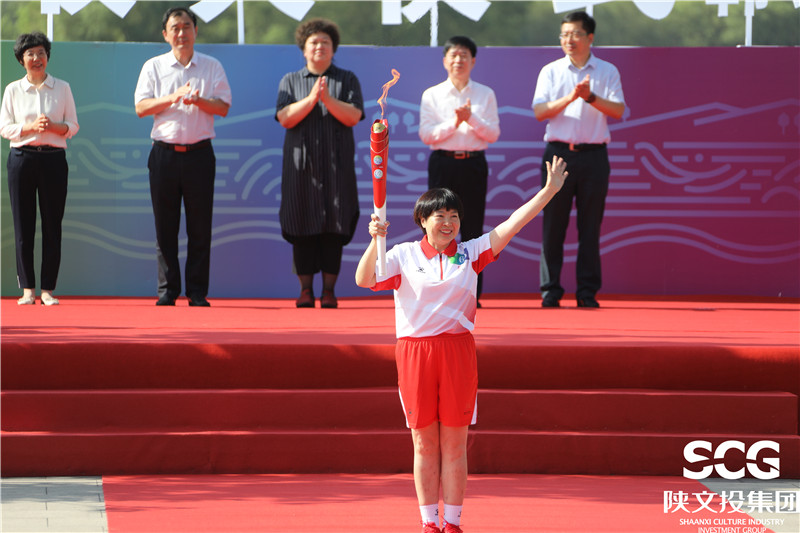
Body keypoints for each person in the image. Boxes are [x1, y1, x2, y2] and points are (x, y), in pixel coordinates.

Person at [355, 157, 568, 533]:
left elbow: (512, 224)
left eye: (454, 215)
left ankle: (452, 523)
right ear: (423, 220)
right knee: (424, 443)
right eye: (440, 215)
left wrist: (548, 192)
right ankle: (429, 523)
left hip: (457, 352)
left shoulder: (470, 254)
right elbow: (362, 279)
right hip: (415, 353)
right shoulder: (402, 255)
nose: (448, 222)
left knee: (454, 443)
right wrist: (375, 239)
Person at [134, 6, 232, 307]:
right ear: (165, 34)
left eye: (186, 26)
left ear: (196, 31)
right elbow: (141, 108)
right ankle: (167, 290)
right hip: (163, 154)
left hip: (200, 154)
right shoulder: (154, 66)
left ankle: (198, 292)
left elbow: (224, 106)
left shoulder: (211, 66)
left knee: (200, 226)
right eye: (175, 28)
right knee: (165, 226)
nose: (181, 33)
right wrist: (174, 97)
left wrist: (198, 99)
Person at [532, 11, 625, 308]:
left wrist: (589, 97)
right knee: (553, 225)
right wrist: (572, 97)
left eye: (574, 34)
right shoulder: (551, 71)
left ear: (590, 38)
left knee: (590, 226)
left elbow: (618, 110)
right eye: (564, 35)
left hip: (594, 156)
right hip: (558, 155)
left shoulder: (607, 71)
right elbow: (540, 111)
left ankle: (586, 292)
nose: (568, 40)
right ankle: (551, 291)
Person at [276, 18, 365, 309]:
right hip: (301, 169)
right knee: (301, 224)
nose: (319, 47)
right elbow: (285, 117)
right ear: (304, 48)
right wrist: (313, 99)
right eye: (314, 42)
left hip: (336, 168)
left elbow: (353, 116)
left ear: (333, 49)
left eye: (325, 42)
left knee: (334, 226)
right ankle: (305, 290)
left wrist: (327, 98)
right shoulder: (290, 80)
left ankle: (328, 290)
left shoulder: (347, 79)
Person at [419, 36, 500, 304]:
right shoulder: (432, 94)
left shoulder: (485, 93)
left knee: (473, 227)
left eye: (464, 55)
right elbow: (426, 135)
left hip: (474, 163)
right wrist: (455, 122)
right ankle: (436, 287)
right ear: (445, 61)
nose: (458, 60)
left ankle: (472, 292)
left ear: (473, 61)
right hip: (443, 163)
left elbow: (493, 133)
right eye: (453, 55)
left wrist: (471, 118)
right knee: (437, 223)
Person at [1, 32, 79, 306]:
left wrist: (55, 127)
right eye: (30, 54)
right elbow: (4, 128)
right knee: (23, 225)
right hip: (22, 158)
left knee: (52, 224)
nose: (37, 58)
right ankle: (28, 290)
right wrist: (30, 128)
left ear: (48, 57)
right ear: (22, 59)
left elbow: (73, 126)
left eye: (41, 53)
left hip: (54, 159)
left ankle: (47, 289)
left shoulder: (62, 88)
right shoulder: (12, 90)